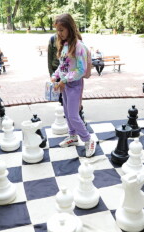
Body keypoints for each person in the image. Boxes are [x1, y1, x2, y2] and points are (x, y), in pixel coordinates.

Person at [51, 13, 95, 158]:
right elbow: (63, 66)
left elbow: (80, 70)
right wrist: (55, 76)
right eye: (57, 30)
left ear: (70, 28)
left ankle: (88, 140)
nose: (59, 33)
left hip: (74, 85)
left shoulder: (79, 46)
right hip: (65, 85)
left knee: (74, 115)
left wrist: (63, 80)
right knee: (67, 113)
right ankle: (73, 136)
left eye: (62, 30)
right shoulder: (64, 45)